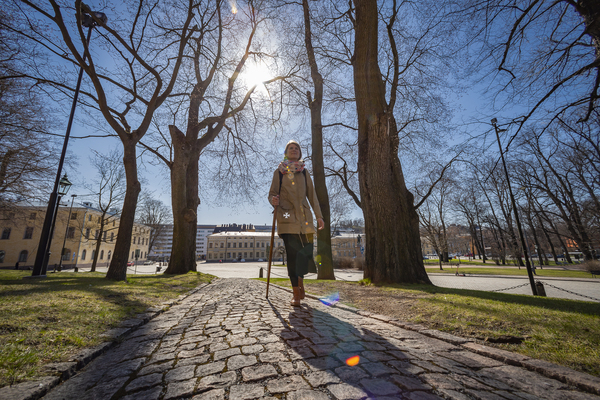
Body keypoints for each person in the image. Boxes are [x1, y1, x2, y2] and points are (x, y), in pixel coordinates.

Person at [269, 140, 324, 306]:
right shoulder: (279, 172)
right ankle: (295, 293)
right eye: (290, 148)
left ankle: (300, 282)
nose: (294, 150)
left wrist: (319, 216)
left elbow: (312, 196)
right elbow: (272, 194)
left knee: (305, 255)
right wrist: (273, 200)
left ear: (300, 153)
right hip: (286, 216)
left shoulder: (305, 173)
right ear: (286, 153)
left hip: (305, 220)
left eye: (296, 148)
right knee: (292, 256)